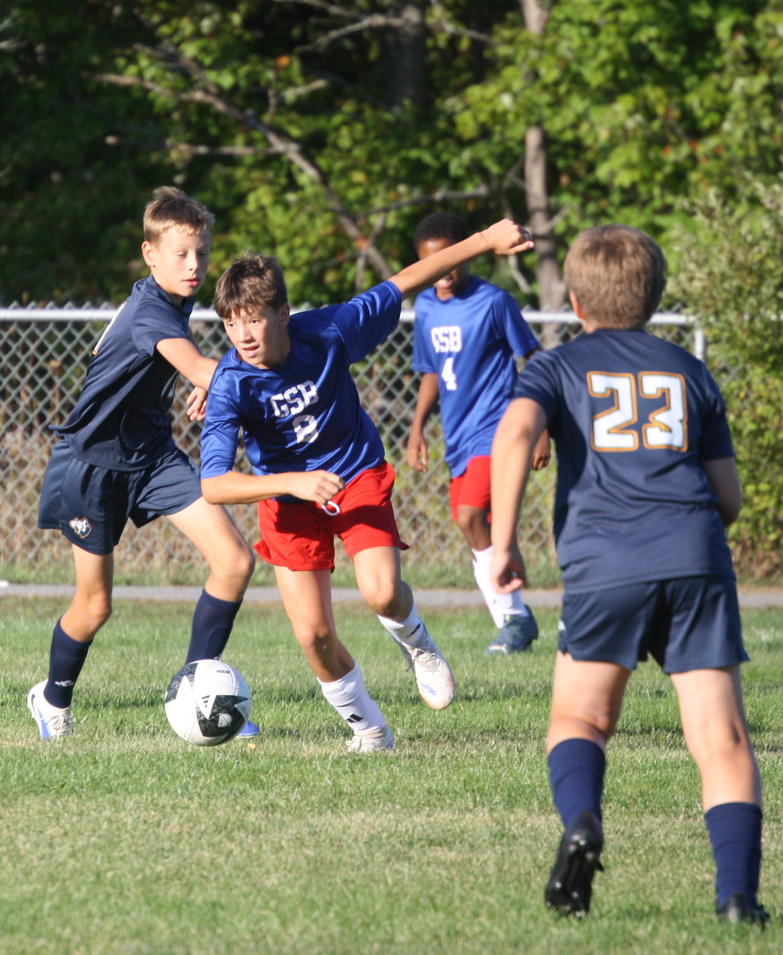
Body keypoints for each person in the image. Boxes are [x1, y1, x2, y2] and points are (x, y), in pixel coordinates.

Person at [490, 224, 767, 924]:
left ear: (575, 302)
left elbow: (515, 433)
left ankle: (583, 822)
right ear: (654, 297)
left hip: (604, 560)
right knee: (721, 739)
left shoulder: (555, 366)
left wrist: (503, 541)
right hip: (696, 556)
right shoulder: (690, 371)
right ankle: (738, 898)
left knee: (579, 717)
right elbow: (729, 499)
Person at [200, 219, 535, 752]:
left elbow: (405, 281)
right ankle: (371, 732)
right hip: (288, 499)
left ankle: (417, 643)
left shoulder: (330, 329)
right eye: (231, 323)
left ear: (283, 314)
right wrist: (293, 482)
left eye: (254, 319)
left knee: (381, 593)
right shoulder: (230, 383)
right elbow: (214, 484)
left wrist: (484, 241)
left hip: (354, 474)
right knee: (313, 636)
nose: (242, 336)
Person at [30, 187, 256, 740]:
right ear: (150, 254)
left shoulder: (173, 300)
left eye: (202, 252)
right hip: (92, 464)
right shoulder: (152, 310)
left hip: (153, 456)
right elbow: (196, 365)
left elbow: (192, 365)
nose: (195, 264)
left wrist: (206, 378)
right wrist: (211, 377)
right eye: (181, 254)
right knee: (95, 605)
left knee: (233, 561)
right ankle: (51, 699)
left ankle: (198, 694)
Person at [406, 212, 550, 655]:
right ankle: (513, 620)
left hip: (498, 427)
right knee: (472, 529)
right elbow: (431, 371)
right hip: (458, 435)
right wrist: (417, 427)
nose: (444, 269)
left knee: (470, 515)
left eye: (452, 258)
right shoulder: (425, 307)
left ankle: (514, 619)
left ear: (467, 252)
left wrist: (541, 426)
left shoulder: (493, 301)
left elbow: (533, 360)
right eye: (434, 261)